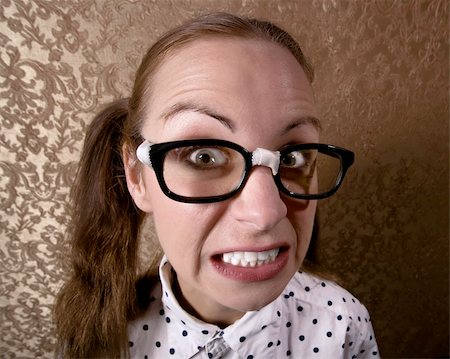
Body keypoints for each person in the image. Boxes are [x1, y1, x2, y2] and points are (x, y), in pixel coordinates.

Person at [54, 12, 380, 359]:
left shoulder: (343, 326)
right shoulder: (100, 338)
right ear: (136, 175)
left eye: (291, 158)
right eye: (204, 156)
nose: (266, 213)